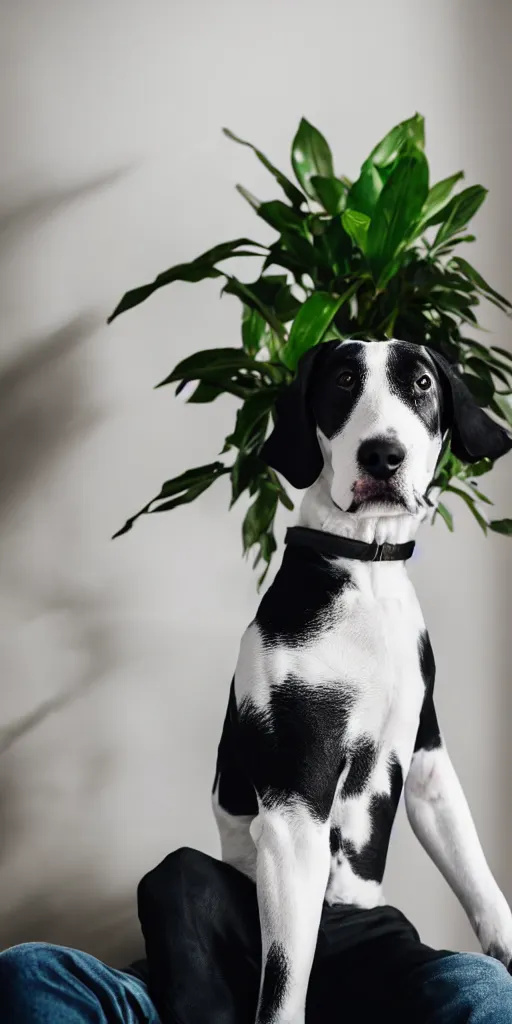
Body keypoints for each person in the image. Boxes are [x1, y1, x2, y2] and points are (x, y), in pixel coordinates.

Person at [1, 847, 512, 1024]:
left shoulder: (371, 929)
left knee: (482, 985)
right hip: (206, 991)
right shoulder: (196, 890)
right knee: (29, 972)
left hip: (376, 987)